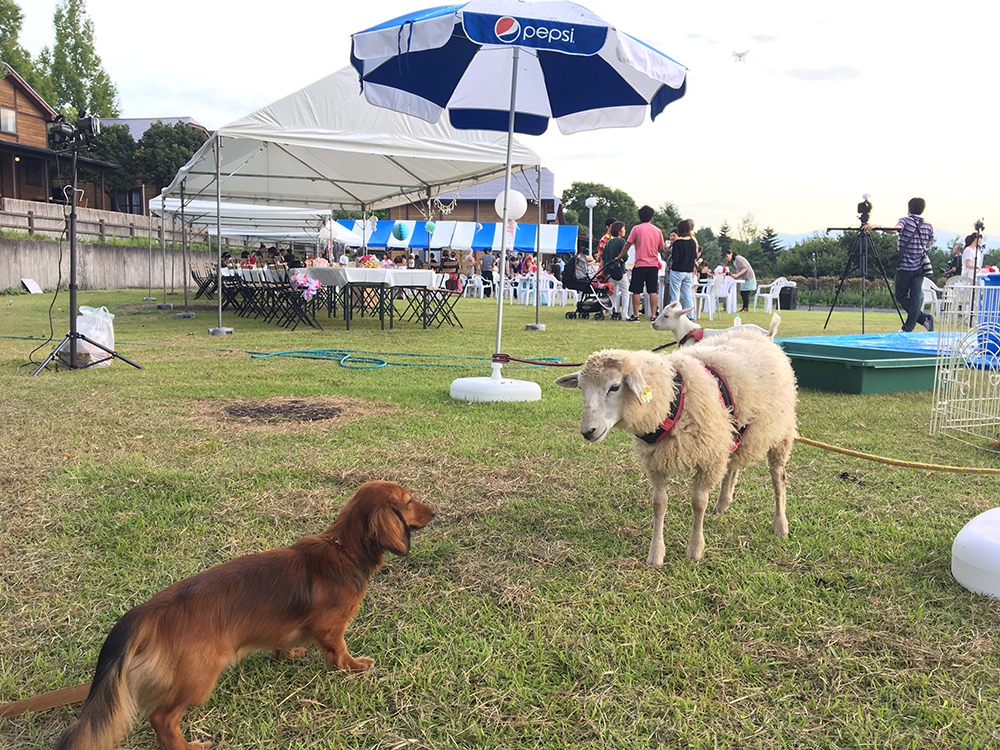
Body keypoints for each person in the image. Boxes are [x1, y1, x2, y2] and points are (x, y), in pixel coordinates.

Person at [864, 197, 934, 332]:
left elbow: (895, 229)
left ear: (909, 209)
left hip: (905, 267)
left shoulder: (905, 220)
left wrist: (877, 226)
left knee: (901, 295)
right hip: (920, 267)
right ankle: (918, 322)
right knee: (915, 298)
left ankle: (918, 321)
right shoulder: (928, 226)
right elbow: (929, 243)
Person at [618, 206, 665, 321]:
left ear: (639, 217)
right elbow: (662, 247)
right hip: (653, 264)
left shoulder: (636, 229)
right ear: (651, 217)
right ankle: (653, 315)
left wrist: (620, 256)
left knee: (636, 290)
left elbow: (628, 244)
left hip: (640, 264)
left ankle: (636, 315)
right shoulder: (657, 230)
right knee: (652, 291)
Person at [666, 218, 698, 320]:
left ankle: (674, 315)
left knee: (675, 295)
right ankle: (690, 316)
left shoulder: (677, 243)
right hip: (688, 272)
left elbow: (675, 258)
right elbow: (694, 257)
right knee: (688, 294)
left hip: (677, 271)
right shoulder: (692, 242)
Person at [604, 221, 628, 318]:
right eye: (623, 228)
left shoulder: (608, 242)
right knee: (625, 292)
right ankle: (624, 313)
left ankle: (611, 312)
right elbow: (625, 257)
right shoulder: (622, 241)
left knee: (612, 292)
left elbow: (604, 257)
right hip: (619, 271)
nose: (624, 230)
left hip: (609, 271)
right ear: (619, 231)